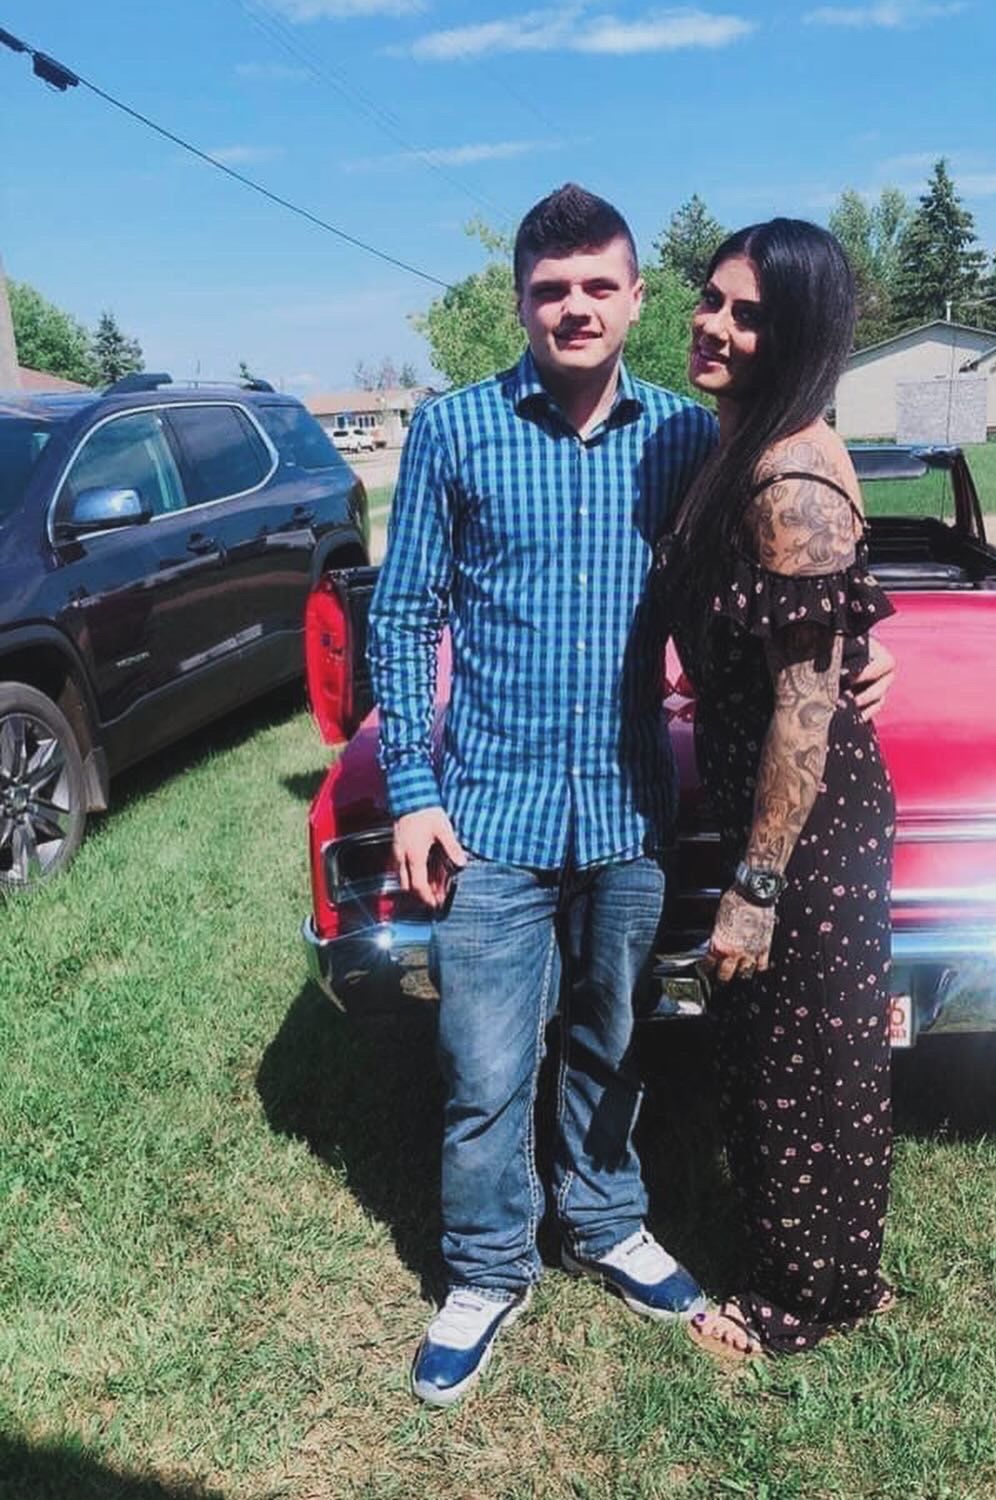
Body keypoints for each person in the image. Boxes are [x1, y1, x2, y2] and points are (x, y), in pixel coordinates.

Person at [368, 186, 895, 1406]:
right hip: (490, 812)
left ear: (634, 298)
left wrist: (870, 644)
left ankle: (605, 1219)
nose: (575, 308)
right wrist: (410, 791)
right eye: (552, 289)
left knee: (613, 1039)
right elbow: (401, 622)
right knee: (483, 1063)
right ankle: (488, 1265)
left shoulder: (684, 438)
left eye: (600, 286)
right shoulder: (454, 431)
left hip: (629, 813)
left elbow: (800, 563)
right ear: (519, 300)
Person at [654, 219, 897, 1360]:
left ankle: (814, 1296)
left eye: (749, 314)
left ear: (794, 334)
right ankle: (820, 1264)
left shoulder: (793, 471)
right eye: (712, 298)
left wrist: (755, 884)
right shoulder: (738, 443)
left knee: (812, 1062)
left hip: (808, 820)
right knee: (780, 1048)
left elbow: (806, 709)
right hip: (773, 801)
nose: (715, 323)